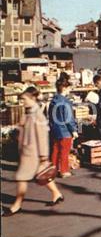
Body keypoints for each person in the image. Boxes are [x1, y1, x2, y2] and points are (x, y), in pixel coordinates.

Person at [5, 87, 64, 215]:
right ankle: (56, 193)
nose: (23, 102)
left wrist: (43, 156)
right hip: (27, 151)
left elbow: (42, 137)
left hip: (32, 152)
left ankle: (17, 205)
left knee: (22, 178)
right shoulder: (28, 113)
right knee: (42, 175)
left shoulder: (38, 115)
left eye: (24, 99)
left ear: (32, 98)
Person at [48, 79, 78, 178]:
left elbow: (49, 116)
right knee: (65, 151)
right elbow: (68, 118)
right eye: (68, 87)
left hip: (55, 129)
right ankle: (64, 170)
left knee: (55, 150)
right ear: (64, 88)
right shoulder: (66, 102)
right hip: (65, 130)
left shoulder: (53, 101)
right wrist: (73, 130)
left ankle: (54, 170)